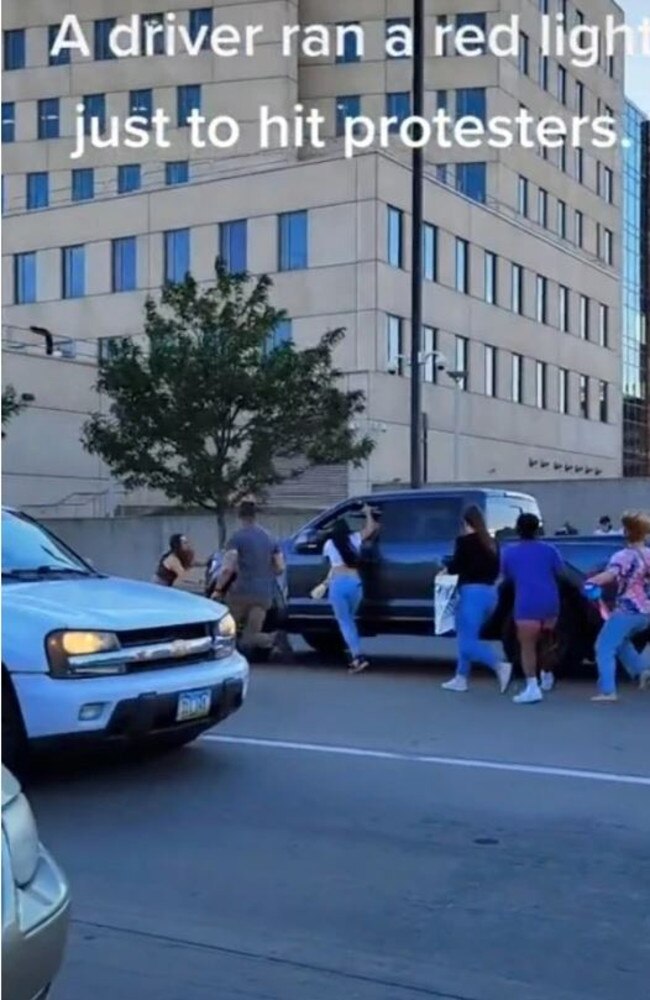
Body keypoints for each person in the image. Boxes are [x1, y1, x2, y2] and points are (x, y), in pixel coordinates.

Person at [441, 506, 512, 694]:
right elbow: (497, 570)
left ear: (465, 523)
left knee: (466, 642)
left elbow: (456, 566)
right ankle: (460, 677)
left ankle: (499, 665)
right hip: (490, 594)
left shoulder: (464, 542)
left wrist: (445, 569)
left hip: (471, 594)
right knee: (467, 636)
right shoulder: (492, 543)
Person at [500, 513, 564, 705]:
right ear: (538, 529)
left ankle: (532, 686)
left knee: (527, 646)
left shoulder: (509, 552)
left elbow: (505, 577)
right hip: (550, 601)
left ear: (518, 529)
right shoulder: (550, 550)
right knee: (548, 641)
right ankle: (547, 673)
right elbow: (560, 571)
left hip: (526, 602)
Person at [586, 511, 650, 702]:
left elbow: (611, 575)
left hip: (626, 610)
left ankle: (608, 691)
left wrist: (592, 582)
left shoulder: (622, 556)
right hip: (646, 612)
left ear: (626, 532)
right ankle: (642, 670)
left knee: (604, 646)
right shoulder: (648, 554)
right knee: (620, 642)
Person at [213, 501, 288, 658]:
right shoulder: (270, 538)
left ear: (239, 516)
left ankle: (218, 657)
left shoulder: (237, 538)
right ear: (255, 516)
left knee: (225, 630)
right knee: (250, 636)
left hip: (240, 593)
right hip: (263, 595)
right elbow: (280, 567)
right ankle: (273, 638)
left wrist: (218, 590)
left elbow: (227, 568)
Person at [314, 504, 379, 673]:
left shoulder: (329, 544)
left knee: (345, 622)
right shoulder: (354, 539)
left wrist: (326, 583)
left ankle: (358, 657)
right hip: (356, 583)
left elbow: (332, 565)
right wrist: (368, 513)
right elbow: (370, 529)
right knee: (350, 619)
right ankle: (356, 655)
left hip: (339, 585)